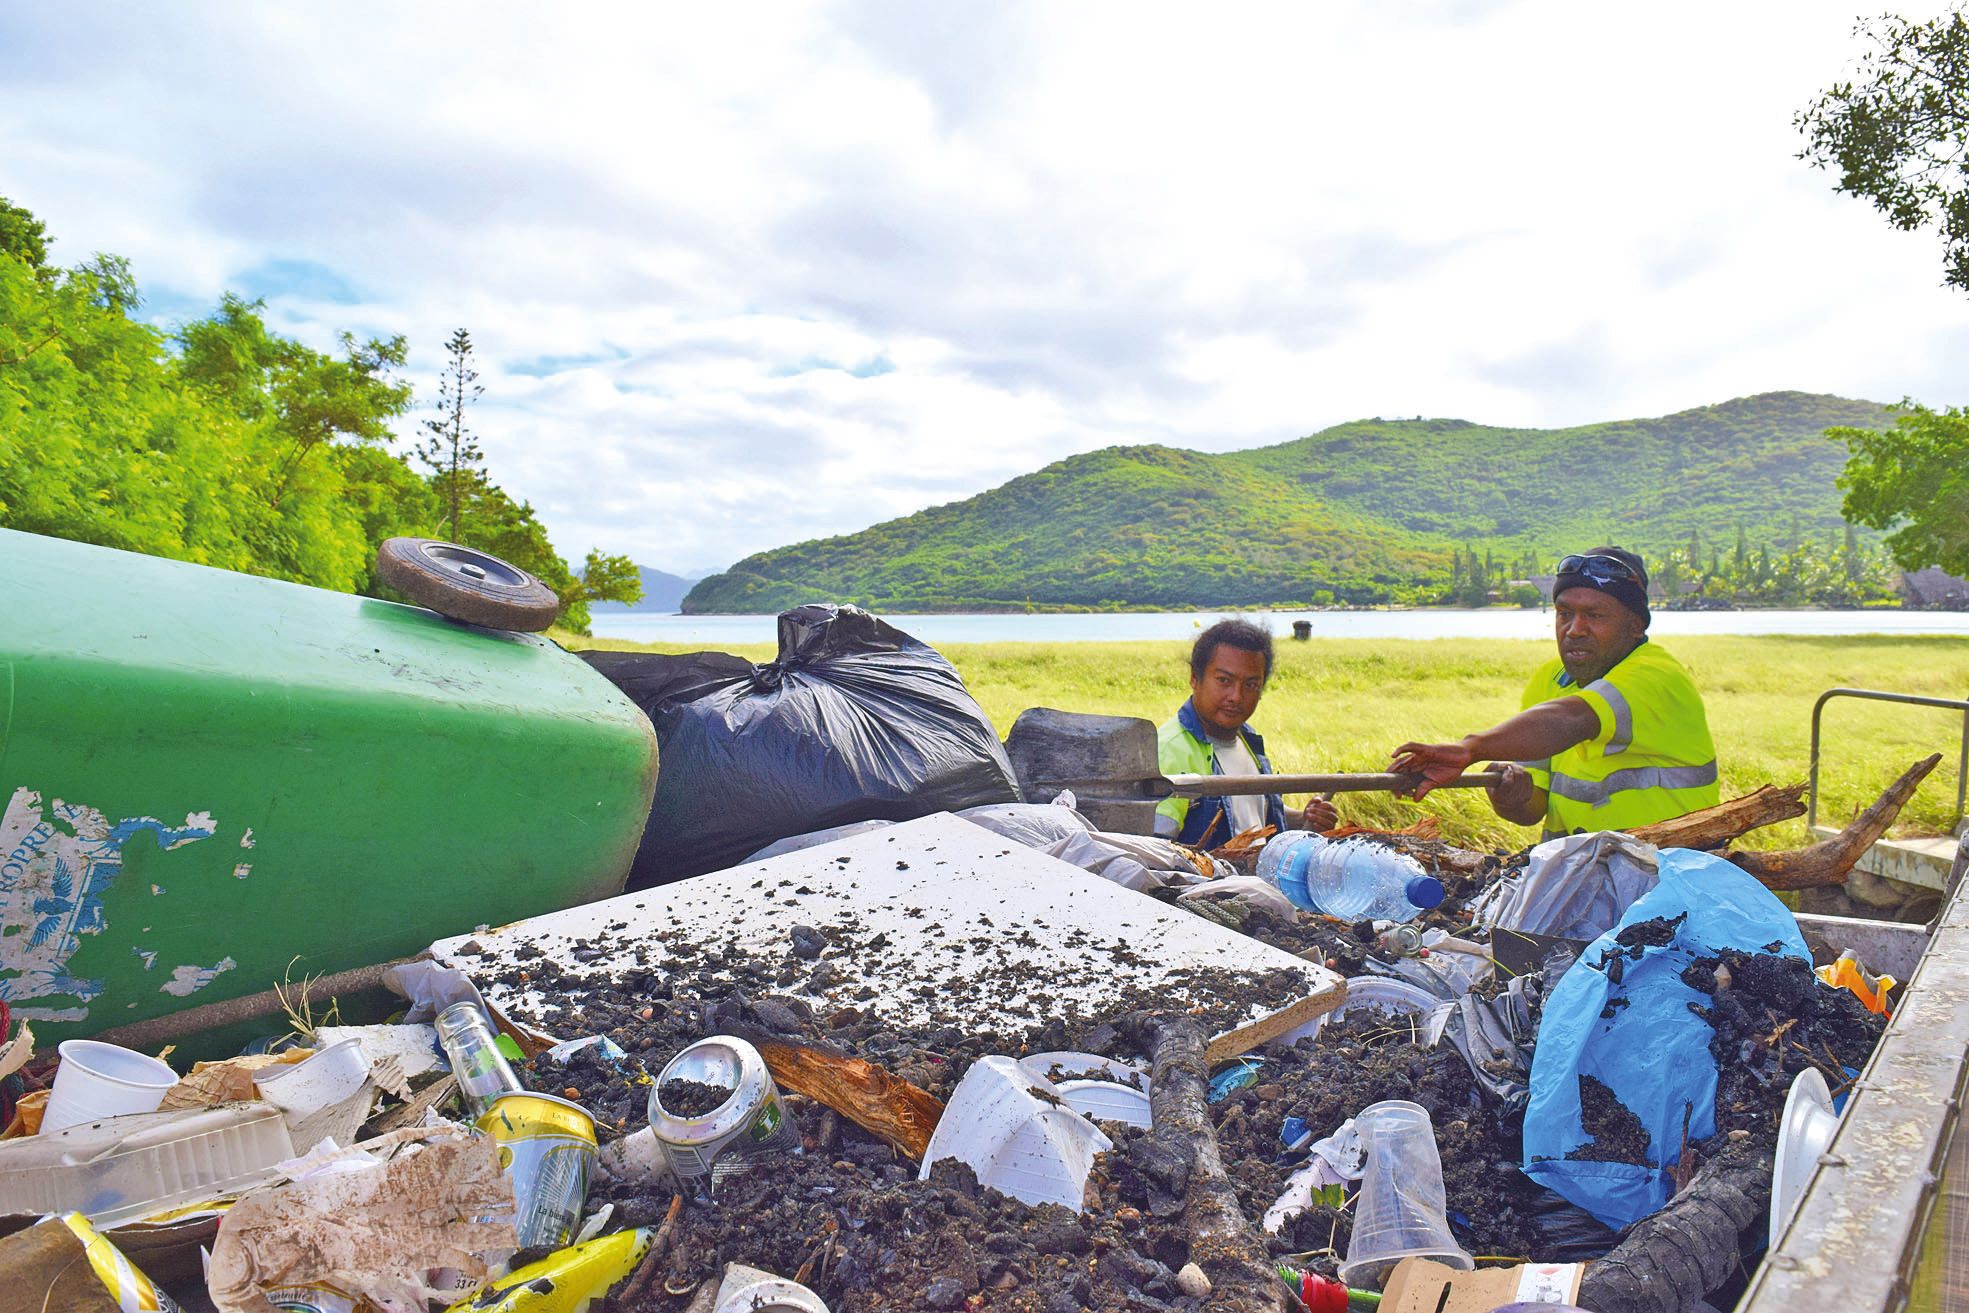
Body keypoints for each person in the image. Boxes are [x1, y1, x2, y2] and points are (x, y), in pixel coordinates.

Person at [1390, 547, 1719, 839]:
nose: (1574, 630)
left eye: (1595, 616)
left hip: (1666, 870)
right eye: (1565, 614)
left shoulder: (1656, 675)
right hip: (1577, 873)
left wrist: (1470, 749)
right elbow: (1532, 809)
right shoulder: (1551, 680)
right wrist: (1511, 796)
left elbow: (1573, 719)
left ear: (1635, 626)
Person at [1155, 619, 1339, 845]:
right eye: (1224, 680)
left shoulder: (1247, 739)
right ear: (1195, 677)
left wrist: (1303, 819)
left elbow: (1252, 812)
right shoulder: (1169, 751)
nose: (1236, 696)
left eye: (1251, 685)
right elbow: (1154, 849)